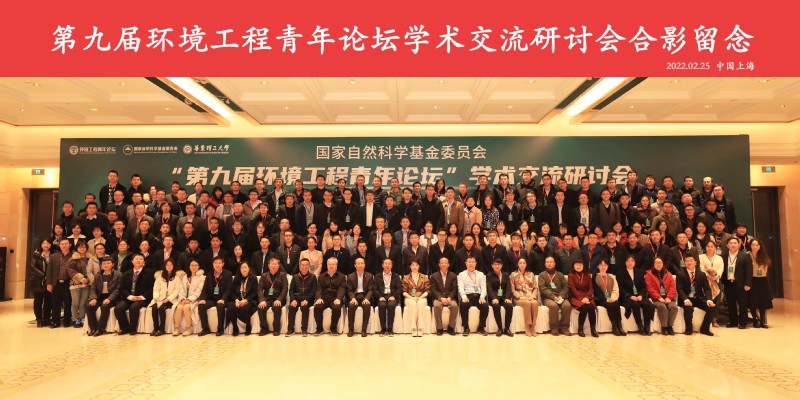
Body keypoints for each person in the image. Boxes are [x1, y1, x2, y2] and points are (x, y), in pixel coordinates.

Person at [675, 254, 716, 336]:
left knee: (711, 307)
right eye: (687, 261)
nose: (689, 263)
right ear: (684, 263)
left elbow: (707, 289)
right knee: (688, 308)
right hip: (686, 299)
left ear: (695, 262)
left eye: (691, 261)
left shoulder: (702, 274)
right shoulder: (680, 274)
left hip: (698, 298)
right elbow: (680, 289)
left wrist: (709, 299)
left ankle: (704, 329)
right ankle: (689, 329)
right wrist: (685, 299)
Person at [114, 254, 155, 335]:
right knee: (118, 308)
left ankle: (132, 329)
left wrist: (141, 297)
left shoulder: (149, 273)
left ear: (144, 262)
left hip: (143, 298)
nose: (138, 260)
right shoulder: (126, 273)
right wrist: (130, 297)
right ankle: (125, 328)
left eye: (141, 259)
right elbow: (122, 288)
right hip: (130, 297)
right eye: (136, 259)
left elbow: (152, 289)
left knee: (133, 307)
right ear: (132, 261)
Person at [86, 256, 122, 336]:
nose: (106, 265)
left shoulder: (118, 275)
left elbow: (118, 290)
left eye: (108, 263)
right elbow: (93, 288)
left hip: (112, 298)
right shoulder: (98, 275)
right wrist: (93, 298)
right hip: (100, 297)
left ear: (113, 264)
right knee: (89, 307)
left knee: (105, 307)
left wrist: (109, 299)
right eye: (104, 263)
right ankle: (93, 328)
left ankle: (100, 329)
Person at [198, 256, 233, 336]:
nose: (217, 265)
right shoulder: (209, 274)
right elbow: (205, 289)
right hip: (212, 298)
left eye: (219, 263)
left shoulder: (228, 274)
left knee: (220, 306)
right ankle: (205, 329)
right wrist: (202, 298)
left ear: (223, 264)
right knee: (201, 306)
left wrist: (223, 299)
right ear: (213, 264)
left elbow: (229, 289)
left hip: (223, 298)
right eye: (215, 263)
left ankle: (220, 329)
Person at [618, 255, 653, 335]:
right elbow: (620, 288)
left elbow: (643, 286)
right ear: (625, 262)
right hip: (628, 296)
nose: (630, 263)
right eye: (628, 261)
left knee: (647, 304)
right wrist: (630, 296)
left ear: (635, 262)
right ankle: (640, 325)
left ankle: (647, 326)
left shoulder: (639, 272)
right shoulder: (621, 273)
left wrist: (641, 295)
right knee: (635, 304)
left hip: (639, 295)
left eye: (632, 261)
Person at [722, 237, 752, 329]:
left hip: (741, 284)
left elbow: (749, 270)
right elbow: (722, 270)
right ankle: (733, 322)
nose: (733, 245)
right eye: (731, 243)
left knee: (742, 304)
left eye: (735, 243)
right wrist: (722, 282)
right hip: (728, 283)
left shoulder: (745, 255)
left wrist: (748, 283)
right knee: (730, 304)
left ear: (739, 245)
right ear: (727, 245)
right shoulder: (723, 255)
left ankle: (743, 323)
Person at [149, 258, 183, 336]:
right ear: (164, 266)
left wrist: (168, 299)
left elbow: (177, 290)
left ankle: (162, 329)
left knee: (161, 308)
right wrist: (156, 297)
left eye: (171, 265)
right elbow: (156, 289)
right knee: (154, 308)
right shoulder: (160, 277)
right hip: (160, 298)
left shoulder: (177, 277)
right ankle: (155, 328)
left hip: (171, 299)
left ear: (173, 266)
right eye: (167, 265)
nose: (169, 266)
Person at [538, 255, 571, 336]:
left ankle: (564, 328)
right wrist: (553, 297)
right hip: (548, 298)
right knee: (553, 306)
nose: (549, 263)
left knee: (567, 305)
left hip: (560, 297)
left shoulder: (560, 275)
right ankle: (554, 328)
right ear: (545, 264)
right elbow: (543, 288)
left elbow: (565, 286)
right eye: (547, 262)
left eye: (551, 262)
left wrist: (561, 296)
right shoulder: (542, 275)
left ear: (554, 263)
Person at [313, 258, 347, 336]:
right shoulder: (321, 276)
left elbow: (342, 289)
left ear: (336, 265)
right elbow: (318, 289)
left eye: (333, 264)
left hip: (335, 298)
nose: (331, 266)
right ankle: (319, 329)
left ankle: (333, 328)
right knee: (317, 307)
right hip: (324, 298)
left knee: (336, 308)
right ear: (327, 265)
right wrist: (319, 298)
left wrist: (338, 298)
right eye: (329, 264)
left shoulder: (342, 276)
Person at [457, 256, 489, 336]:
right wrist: (464, 297)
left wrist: (482, 297)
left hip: (478, 296)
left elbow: (484, 287)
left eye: (473, 262)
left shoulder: (481, 274)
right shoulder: (461, 274)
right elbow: (460, 287)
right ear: (466, 263)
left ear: (476, 264)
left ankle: (481, 327)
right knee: (463, 305)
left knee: (485, 306)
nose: (471, 264)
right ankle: (466, 328)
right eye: (469, 262)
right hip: (467, 296)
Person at [645, 257, 678, 335]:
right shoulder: (649, 274)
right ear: (654, 264)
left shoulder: (668, 274)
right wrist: (659, 297)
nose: (658, 264)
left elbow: (673, 287)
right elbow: (650, 288)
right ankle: (664, 327)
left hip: (668, 297)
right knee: (662, 307)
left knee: (673, 307)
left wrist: (669, 297)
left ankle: (670, 326)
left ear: (663, 264)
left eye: (660, 262)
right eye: (656, 262)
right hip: (656, 298)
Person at [46, 238, 74, 328]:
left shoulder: (74, 256)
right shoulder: (54, 256)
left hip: (68, 283)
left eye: (66, 244)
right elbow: (49, 270)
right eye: (62, 244)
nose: (64, 245)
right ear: (59, 245)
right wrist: (49, 283)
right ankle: (55, 321)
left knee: (68, 303)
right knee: (55, 303)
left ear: (70, 245)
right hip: (56, 283)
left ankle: (67, 321)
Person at [257, 257, 289, 336]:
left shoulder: (282, 275)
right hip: (267, 298)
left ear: (278, 266)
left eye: (275, 264)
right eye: (272, 264)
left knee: (276, 307)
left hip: (278, 298)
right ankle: (264, 329)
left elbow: (285, 288)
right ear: (268, 265)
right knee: (261, 307)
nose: (274, 266)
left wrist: (280, 299)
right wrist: (262, 300)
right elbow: (259, 289)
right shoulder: (264, 275)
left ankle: (276, 329)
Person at [593, 259, 625, 336]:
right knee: (610, 305)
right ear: (598, 266)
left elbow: (615, 289)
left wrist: (613, 298)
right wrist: (606, 299)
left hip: (611, 298)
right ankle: (614, 327)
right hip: (600, 299)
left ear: (607, 266)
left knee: (616, 304)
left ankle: (619, 326)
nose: (603, 267)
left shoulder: (611, 276)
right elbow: (596, 291)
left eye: (605, 265)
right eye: (601, 265)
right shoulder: (595, 277)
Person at [225, 262, 258, 336]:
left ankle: (248, 326)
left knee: (246, 308)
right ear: (240, 270)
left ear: (249, 269)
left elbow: (254, 293)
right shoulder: (237, 278)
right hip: (238, 300)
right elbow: (232, 292)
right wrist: (236, 300)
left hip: (249, 300)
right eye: (242, 267)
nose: (244, 269)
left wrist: (245, 301)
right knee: (231, 307)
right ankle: (235, 327)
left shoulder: (253, 278)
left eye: (245, 267)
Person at [287, 258, 317, 336]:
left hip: (308, 300)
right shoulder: (295, 277)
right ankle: (290, 329)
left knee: (305, 307)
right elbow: (291, 290)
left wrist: (307, 300)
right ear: (300, 266)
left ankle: (304, 329)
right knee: (291, 307)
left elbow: (313, 291)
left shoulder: (313, 277)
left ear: (309, 266)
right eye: (302, 265)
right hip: (297, 299)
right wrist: (293, 300)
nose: (304, 267)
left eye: (306, 265)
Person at [173, 259, 204, 336]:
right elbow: (181, 289)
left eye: (196, 265)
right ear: (189, 266)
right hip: (184, 299)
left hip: (195, 299)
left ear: (199, 266)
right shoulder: (185, 277)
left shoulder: (202, 277)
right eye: (192, 265)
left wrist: (189, 299)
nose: (194, 267)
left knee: (186, 307)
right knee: (179, 307)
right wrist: (182, 298)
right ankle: (177, 328)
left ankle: (189, 328)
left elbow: (199, 291)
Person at [345, 257, 374, 337]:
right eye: (358, 263)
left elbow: (370, 290)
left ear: (364, 265)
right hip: (355, 296)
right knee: (351, 306)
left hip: (364, 296)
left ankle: (364, 330)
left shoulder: (370, 276)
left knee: (367, 305)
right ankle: (351, 329)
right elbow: (349, 290)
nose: (360, 265)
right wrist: (352, 298)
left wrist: (367, 298)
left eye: (362, 263)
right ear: (355, 265)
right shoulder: (350, 276)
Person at [568, 260, 598, 338]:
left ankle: (593, 329)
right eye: (577, 264)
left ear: (583, 266)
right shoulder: (571, 275)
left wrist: (587, 298)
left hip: (587, 297)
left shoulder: (587, 275)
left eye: (580, 264)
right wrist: (582, 299)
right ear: (573, 266)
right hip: (576, 297)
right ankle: (580, 329)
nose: (578, 266)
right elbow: (572, 289)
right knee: (584, 307)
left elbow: (591, 288)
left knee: (591, 308)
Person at [430, 257, 459, 336]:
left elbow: (454, 289)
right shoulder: (434, 276)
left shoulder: (453, 275)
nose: (443, 264)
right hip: (438, 298)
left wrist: (450, 298)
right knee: (436, 306)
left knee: (454, 306)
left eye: (445, 263)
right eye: (442, 263)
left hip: (450, 298)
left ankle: (451, 327)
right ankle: (439, 328)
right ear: (439, 264)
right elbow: (433, 289)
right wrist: (440, 298)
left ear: (448, 265)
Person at [510, 257, 538, 336]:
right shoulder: (513, 274)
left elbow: (535, 288)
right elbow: (512, 289)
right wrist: (519, 296)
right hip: (519, 298)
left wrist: (532, 296)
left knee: (535, 303)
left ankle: (533, 326)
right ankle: (527, 326)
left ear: (526, 264)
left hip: (530, 297)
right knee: (527, 303)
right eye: (520, 263)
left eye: (524, 263)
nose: (522, 265)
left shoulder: (531, 274)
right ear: (517, 264)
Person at [748, 239, 773, 329]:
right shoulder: (747, 255)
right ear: (750, 246)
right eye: (753, 245)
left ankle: (763, 321)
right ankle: (755, 320)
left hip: (763, 280)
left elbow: (766, 269)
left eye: (757, 245)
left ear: (760, 246)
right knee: (753, 300)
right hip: (752, 280)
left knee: (763, 301)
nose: (755, 247)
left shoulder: (763, 255)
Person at [374, 258, 402, 336]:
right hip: (382, 296)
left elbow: (399, 289)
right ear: (382, 265)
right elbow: (375, 289)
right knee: (382, 305)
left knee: (391, 305)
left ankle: (390, 328)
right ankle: (383, 329)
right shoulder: (377, 276)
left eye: (389, 264)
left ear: (392, 266)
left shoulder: (396, 276)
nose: (387, 265)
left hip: (392, 296)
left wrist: (394, 296)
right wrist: (379, 297)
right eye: (385, 263)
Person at [402, 259, 430, 337]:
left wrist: (421, 297)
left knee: (421, 303)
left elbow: (427, 290)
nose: (415, 267)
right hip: (409, 298)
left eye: (416, 265)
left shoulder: (424, 277)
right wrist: (411, 298)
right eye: (413, 265)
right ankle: (414, 328)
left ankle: (420, 328)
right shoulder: (406, 278)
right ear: (410, 267)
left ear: (419, 266)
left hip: (421, 297)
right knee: (413, 303)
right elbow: (404, 292)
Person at [487, 258, 514, 337]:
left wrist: (508, 298)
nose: (497, 266)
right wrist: (493, 298)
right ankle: (500, 328)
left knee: (509, 306)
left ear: (501, 266)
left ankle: (507, 328)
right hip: (494, 298)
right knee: (496, 306)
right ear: (492, 266)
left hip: (504, 297)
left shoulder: (506, 275)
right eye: (495, 264)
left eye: (498, 264)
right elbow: (489, 288)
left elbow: (509, 287)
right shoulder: (489, 275)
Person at [30, 240, 53, 327]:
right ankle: (39, 319)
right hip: (38, 281)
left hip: (49, 281)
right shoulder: (36, 255)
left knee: (48, 301)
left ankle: (47, 319)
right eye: (44, 243)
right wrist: (43, 275)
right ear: (41, 245)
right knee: (38, 301)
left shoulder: (53, 255)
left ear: (50, 245)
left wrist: (49, 277)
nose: (46, 245)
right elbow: (33, 267)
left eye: (48, 243)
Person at [67, 242, 90, 328]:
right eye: (80, 247)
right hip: (75, 284)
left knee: (83, 303)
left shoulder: (90, 258)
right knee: (75, 302)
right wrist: (81, 278)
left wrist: (88, 279)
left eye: (84, 247)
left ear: (86, 248)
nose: (82, 249)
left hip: (87, 283)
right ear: (77, 248)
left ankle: (82, 318)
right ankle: (75, 319)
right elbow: (70, 270)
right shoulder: (72, 259)